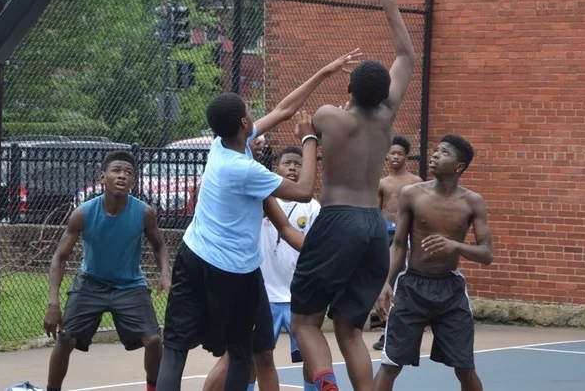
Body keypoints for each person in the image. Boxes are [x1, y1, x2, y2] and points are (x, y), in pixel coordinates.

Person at [156, 49, 360, 391]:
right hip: (232, 270)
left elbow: (283, 111)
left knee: (175, 348)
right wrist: (309, 139)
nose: (253, 115)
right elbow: (305, 188)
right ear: (243, 124)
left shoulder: (222, 146)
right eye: (249, 112)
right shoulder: (245, 169)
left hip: (192, 256)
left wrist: (326, 70)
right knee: (241, 353)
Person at [291, 0, 416, 391]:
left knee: (305, 321)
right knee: (349, 330)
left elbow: (308, 121)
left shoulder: (327, 117)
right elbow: (406, 56)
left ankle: (325, 381)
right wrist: (388, 1)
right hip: (373, 227)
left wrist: (307, 137)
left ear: (349, 91)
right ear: (385, 95)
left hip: (338, 219)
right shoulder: (386, 119)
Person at [44, 150, 172, 391]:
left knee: (154, 340)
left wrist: (164, 272)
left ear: (133, 182)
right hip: (90, 283)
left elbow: (159, 245)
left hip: (130, 286)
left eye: (128, 173)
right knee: (65, 338)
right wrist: (53, 303)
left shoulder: (144, 212)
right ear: (103, 177)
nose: (122, 176)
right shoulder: (83, 213)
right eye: (116, 171)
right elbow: (60, 257)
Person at [374, 135, 494, 391]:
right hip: (411, 286)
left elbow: (487, 254)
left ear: (459, 166)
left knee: (465, 366)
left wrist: (455, 246)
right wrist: (386, 281)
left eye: (444, 152)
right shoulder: (412, 194)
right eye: (436, 150)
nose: (435, 155)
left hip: (450, 290)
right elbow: (397, 245)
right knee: (391, 364)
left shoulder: (472, 202)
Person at [202, 146, 322, 391]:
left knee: (310, 356)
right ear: (275, 167)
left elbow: (308, 242)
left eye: (298, 164)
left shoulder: (312, 207)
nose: (292, 167)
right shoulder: (260, 198)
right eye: (287, 162)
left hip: (297, 294)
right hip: (262, 293)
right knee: (250, 356)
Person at [372, 135, 421, 351]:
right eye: (392, 153)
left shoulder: (416, 182)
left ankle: (402, 330)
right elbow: (376, 210)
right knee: (384, 278)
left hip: (406, 237)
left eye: (399, 153)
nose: (395, 157)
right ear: (386, 155)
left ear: (406, 156)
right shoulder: (382, 183)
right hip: (385, 234)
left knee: (402, 281)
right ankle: (386, 329)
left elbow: (421, 210)